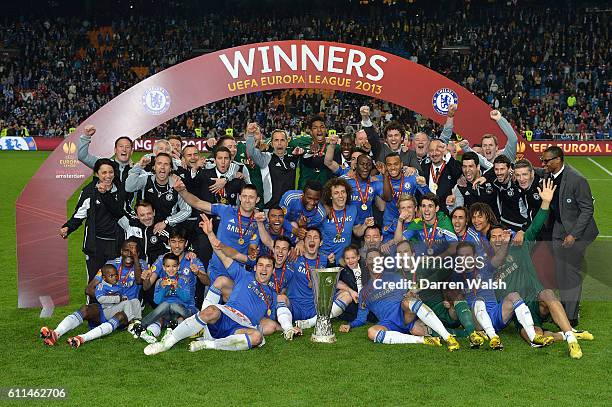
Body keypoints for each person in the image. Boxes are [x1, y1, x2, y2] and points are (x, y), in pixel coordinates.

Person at [489, 178, 590, 359]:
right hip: (519, 312)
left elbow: (535, 226)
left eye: (500, 235)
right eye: (493, 237)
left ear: (506, 235)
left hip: (536, 299)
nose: (497, 239)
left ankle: (571, 341)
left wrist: (545, 202)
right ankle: (568, 333)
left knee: (548, 294)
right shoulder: (488, 263)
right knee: (536, 338)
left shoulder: (520, 245)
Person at [144, 235, 278, 355]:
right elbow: (223, 256)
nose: (264, 269)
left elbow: (270, 321)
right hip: (227, 314)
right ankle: (165, 344)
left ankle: (209, 344)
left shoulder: (272, 295)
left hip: (242, 327)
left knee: (256, 337)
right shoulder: (244, 275)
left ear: (273, 270)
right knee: (211, 311)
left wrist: (289, 327)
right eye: (260, 265)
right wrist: (210, 234)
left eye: (268, 266)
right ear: (255, 267)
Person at [339, 249, 456, 350]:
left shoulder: (395, 277)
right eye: (370, 259)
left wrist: (413, 294)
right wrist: (350, 325)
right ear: (366, 263)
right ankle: (422, 340)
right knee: (371, 332)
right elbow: (361, 318)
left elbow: (410, 292)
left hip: (405, 315)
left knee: (407, 302)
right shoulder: (364, 292)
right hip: (389, 323)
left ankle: (448, 337)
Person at [456, 242, 553, 350]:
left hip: (495, 314)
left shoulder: (485, 268)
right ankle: (493, 336)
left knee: (514, 295)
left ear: (474, 256)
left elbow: (499, 257)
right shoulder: (456, 278)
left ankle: (533, 337)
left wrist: (506, 242)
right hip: (477, 321)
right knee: (479, 301)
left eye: (468, 255)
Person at [542, 146, 599, 326]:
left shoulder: (576, 179)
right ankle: (564, 311)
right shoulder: (550, 175)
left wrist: (574, 234)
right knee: (561, 273)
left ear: (558, 160)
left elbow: (587, 209)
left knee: (571, 273)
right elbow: (535, 171)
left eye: (546, 161)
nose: (543, 164)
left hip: (577, 232)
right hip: (559, 230)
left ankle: (571, 317)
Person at [60, 158, 128, 293]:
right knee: (93, 281)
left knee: (114, 279)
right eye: (104, 173)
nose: (108, 176)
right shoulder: (89, 191)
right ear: (97, 174)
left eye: (111, 172)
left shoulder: (120, 189)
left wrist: (105, 194)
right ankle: (92, 306)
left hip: (115, 243)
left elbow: (118, 212)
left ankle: (111, 309)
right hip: (95, 244)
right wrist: (68, 227)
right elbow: (79, 214)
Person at [40, 264, 141, 349]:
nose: (115, 277)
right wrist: (118, 298)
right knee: (85, 309)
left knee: (123, 312)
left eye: (116, 275)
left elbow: (128, 297)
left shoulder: (121, 281)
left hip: (120, 314)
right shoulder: (104, 279)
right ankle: (56, 333)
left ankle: (82, 338)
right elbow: (97, 296)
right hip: (105, 309)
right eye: (111, 275)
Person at [136, 253, 199, 344]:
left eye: (174, 266)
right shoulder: (160, 281)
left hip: (183, 311)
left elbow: (186, 299)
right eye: (168, 266)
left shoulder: (183, 279)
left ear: (178, 267)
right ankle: (142, 326)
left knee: (173, 306)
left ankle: (144, 325)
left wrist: (178, 287)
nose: (171, 269)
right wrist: (163, 288)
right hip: (167, 313)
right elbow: (157, 301)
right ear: (164, 267)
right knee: (166, 305)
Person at [125, 152, 191, 235]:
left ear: (170, 169)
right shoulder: (146, 179)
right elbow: (129, 187)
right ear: (154, 167)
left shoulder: (177, 184)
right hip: (146, 224)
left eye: (166, 164)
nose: (162, 167)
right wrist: (139, 166)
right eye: (159, 163)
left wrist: (167, 221)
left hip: (167, 228)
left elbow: (187, 210)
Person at [77, 124, 134, 212]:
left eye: (127, 147)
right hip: (103, 215)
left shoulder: (136, 171)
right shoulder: (104, 164)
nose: (124, 149)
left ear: (132, 151)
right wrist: (86, 137)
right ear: (115, 150)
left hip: (126, 216)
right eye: (121, 146)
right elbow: (82, 156)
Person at [245, 123, 303, 208]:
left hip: (290, 207)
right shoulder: (266, 158)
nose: (279, 143)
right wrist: (250, 135)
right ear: (272, 144)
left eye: (282, 140)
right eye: (276, 140)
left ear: (287, 143)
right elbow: (251, 152)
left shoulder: (293, 159)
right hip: (271, 207)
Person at [121, 201, 169, 265]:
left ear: (154, 212)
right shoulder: (131, 225)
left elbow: (171, 253)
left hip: (157, 269)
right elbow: (115, 210)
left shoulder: (163, 228)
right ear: (137, 216)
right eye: (142, 215)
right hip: (136, 267)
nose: (146, 217)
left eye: (149, 213)